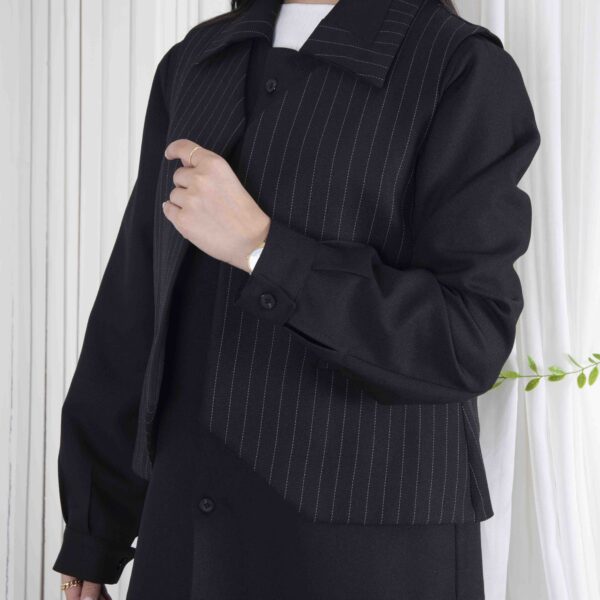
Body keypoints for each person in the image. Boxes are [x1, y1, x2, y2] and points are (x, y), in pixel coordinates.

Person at [53, 0, 541, 598]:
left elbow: (469, 337)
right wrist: (94, 532)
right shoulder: (197, 60)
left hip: (364, 559)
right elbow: (135, 304)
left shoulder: (458, 66)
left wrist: (264, 250)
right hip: (184, 544)